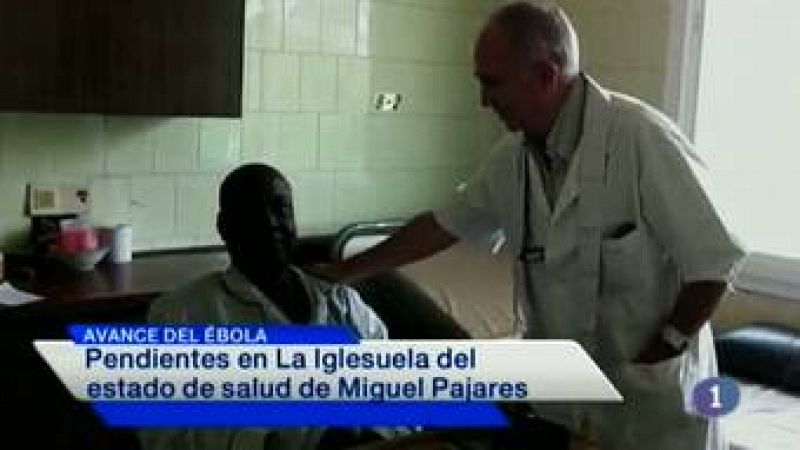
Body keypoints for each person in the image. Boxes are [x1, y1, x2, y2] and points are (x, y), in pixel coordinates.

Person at [311, 2, 744, 450]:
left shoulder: (641, 139)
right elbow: (440, 226)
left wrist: (666, 345)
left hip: (652, 411)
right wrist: (345, 271)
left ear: (544, 75)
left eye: (492, 83)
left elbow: (717, 262)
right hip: (566, 403)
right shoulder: (512, 159)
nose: (483, 101)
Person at [138, 163, 432, 450]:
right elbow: (164, 434)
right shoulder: (183, 315)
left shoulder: (343, 304)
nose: (270, 222)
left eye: (281, 209)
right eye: (251, 213)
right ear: (224, 227)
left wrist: (374, 431)